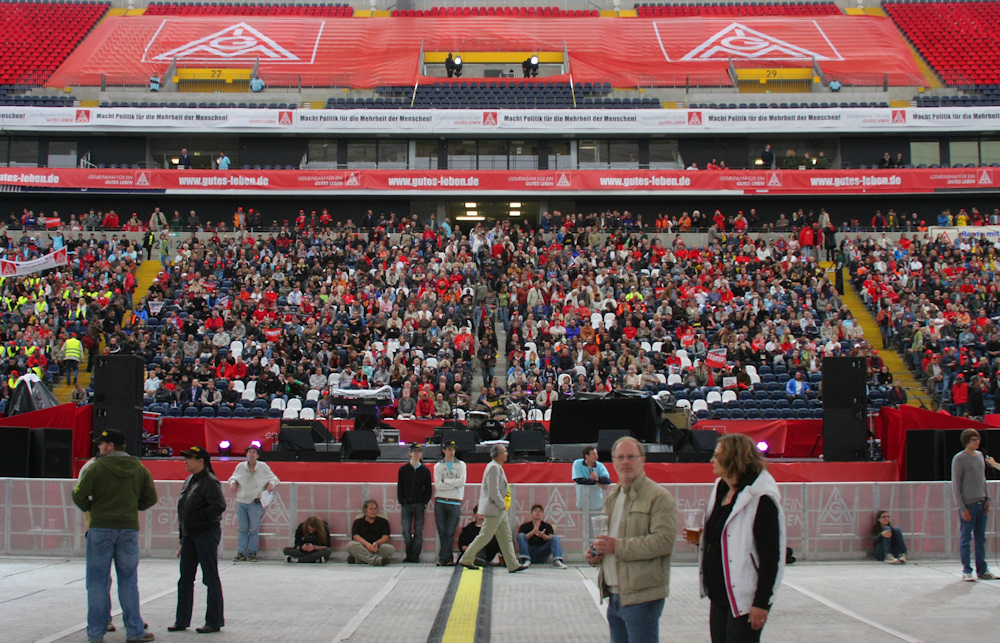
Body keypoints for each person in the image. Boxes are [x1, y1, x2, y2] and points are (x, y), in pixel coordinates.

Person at [693, 433, 784, 642]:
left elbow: (771, 556)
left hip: (745, 597)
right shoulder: (720, 488)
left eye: (716, 456)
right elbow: (728, 534)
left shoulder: (760, 499)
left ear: (734, 460)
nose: (711, 460)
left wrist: (761, 602)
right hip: (720, 593)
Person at [586, 437, 677, 643]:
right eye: (620, 457)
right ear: (613, 462)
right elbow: (608, 538)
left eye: (631, 457)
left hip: (642, 596)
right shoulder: (612, 496)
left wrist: (617, 547)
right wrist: (596, 552)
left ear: (642, 460)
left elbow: (664, 541)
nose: (625, 462)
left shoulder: (659, 497)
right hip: (615, 596)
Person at [72, 429, 157, 643]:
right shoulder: (139, 468)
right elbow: (151, 497)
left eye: (101, 444)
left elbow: (78, 493)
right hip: (128, 529)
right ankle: (135, 631)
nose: (98, 448)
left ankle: (95, 634)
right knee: (129, 581)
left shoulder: (97, 467)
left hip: (100, 528)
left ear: (110, 446)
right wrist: (132, 507)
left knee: (98, 582)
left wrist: (92, 507)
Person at [170, 446, 226, 634]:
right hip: (189, 536)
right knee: (185, 579)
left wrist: (197, 518)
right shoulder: (189, 481)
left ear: (201, 461)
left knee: (210, 577)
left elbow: (218, 506)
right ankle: (181, 620)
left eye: (189, 458)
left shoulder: (210, 482)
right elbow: (183, 510)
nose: (185, 461)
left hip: (206, 534)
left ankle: (214, 620)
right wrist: (182, 535)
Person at [458, 444, 528, 573]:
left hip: (498, 509)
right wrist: (502, 505)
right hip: (494, 509)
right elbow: (493, 491)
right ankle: (466, 558)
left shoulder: (497, 467)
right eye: (505, 452)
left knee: (506, 537)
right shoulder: (493, 468)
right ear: (499, 454)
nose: (507, 454)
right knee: (485, 536)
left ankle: (512, 564)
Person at [952, 429, 997, 582]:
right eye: (973, 440)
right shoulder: (959, 458)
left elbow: (982, 478)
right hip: (969, 504)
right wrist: (962, 507)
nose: (977, 442)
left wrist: (987, 498)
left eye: (977, 439)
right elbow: (956, 484)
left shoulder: (980, 456)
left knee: (980, 538)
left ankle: (982, 569)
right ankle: (966, 569)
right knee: (966, 538)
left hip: (981, 501)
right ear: (966, 441)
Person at [227, 444, 279, 562]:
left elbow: (274, 478)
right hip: (241, 501)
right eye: (249, 452)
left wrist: (271, 484)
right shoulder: (240, 466)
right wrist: (233, 482)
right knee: (242, 528)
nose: (251, 454)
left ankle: (252, 552)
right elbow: (233, 477)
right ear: (246, 454)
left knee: (254, 529)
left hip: (255, 501)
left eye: (254, 452)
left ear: (257, 455)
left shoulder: (263, 467)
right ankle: (241, 552)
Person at [433, 439, 467, 566]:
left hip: (455, 502)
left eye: (453, 449)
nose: (451, 452)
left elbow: (462, 482)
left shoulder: (461, 465)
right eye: (449, 449)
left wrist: (446, 482)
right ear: (444, 450)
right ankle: (446, 558)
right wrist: (453, 484)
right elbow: (438, 485)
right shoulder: (438, 466)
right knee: (442, 531)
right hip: (440, 501)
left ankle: (444, 558)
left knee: (450, 531)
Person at [398, 443, 432, 563]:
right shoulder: (403, 470)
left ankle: (415, 554)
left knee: (418, 531)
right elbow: (400, 487)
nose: (417, 454)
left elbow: (428, 488)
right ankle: (409, 553)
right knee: (406, 530)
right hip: (406, 504)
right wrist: (402, 501)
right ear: (410, 453)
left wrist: (423, 502)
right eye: (415, 452)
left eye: (419, 452)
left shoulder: (424, 470)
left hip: (419, 505)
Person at [516, 504, 568, 569]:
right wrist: (533, 532)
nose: (537, 513)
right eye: (535, 511)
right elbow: (521, 539)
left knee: (555, 538)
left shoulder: (547, 526)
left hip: (542, 552)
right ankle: (526, 560)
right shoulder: (524, 526)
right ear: (531, 514)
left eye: (540, 511)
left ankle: (557, 561)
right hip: (529, 552)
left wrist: (542, 535)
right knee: (521, 535)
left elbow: (551, 538)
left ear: (542, 514)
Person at [347, 499, 395, 565]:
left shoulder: (383, 522)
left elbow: (386, 537)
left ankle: (359, 560)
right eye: (371, 509)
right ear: (365, 510)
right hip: (363, 546)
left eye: (375, 509)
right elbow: (356, 536)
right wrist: (367, 545)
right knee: (351, 545)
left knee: (390, 549)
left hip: (377, 547)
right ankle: (377, 561)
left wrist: (377, 543)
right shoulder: (358, 522)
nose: (373, 511)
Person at [573, 445, 612, 513]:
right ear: (586, 456)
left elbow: (608, 480)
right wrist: (597, 483)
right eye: (593, 454)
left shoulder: (600, 465)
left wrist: (597, 478)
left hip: (597, 503)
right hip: (583, 502)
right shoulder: (577, 463)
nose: (596, 456)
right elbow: (579, 480)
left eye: (596, 454)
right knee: (584, 523)